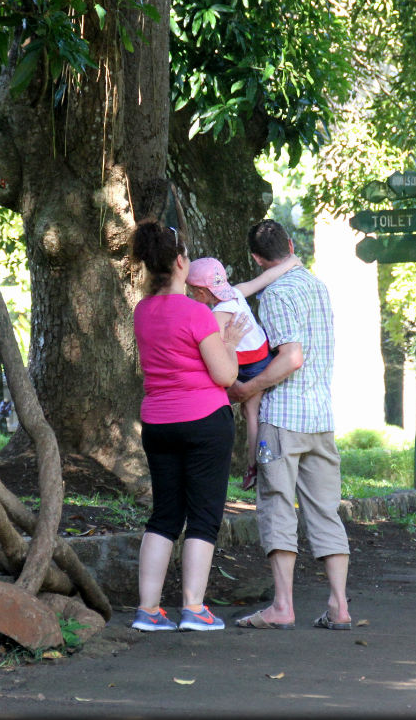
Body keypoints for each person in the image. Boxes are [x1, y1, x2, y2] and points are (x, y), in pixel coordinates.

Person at [129, 220, 252, 633]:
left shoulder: (142, 311)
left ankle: (148, 610)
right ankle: (194, 609)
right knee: (202, 516)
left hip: (158, 424)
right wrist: (230, 345)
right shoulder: (197, 313)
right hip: (203, 422)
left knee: (164, 514)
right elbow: (223, 376)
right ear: (181, 261)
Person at [227, 219, 350, 631]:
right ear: (291, 245)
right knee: (325, 511)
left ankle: (283, 606)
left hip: (283, 418)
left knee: (277, 507)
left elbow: (291, 357)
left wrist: (248, 389)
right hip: (320, 417)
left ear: (257, 259)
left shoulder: (276, 294)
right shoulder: (317, 286)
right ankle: (339, 605)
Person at [185, 253, 302, 488]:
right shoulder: (236, 293)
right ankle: (253, 467)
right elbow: (264, 278)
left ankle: (252, 467)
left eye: (191, 291)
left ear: (200, 293)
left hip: (249, 365)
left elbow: (210, 348)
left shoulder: (217, 314)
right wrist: (291, 262)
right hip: (262, 356)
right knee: (249, 412)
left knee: (246, 412)